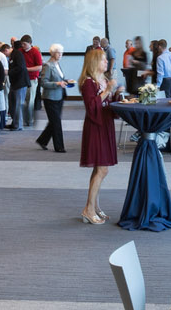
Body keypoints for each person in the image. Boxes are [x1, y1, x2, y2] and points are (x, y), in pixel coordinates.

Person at [76, 46, 120, 223]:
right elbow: (92, 106)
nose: (106, 62)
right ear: (95, 62)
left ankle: (93, 206)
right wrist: (108, 91)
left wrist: (116, 94)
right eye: (103, 59)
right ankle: (89, 208)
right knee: (102, 169)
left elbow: (106, 103)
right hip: (96, 127)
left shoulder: (102, 79)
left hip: (105, 124)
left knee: (101, 169)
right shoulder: (88, 82)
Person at [36, 43, 70, 153]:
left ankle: (42, 140)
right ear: (53, 53)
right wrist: (57, 83)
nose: (61, 55)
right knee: (56, 122)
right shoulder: (48, 65)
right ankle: (59, 146)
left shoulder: (57, 64)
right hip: (50, 98)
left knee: (53, 121)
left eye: (61, 53)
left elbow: (60, 78)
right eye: (58, 53)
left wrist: (65, 81)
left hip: (59, 96)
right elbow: (43, 83)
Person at [6, 35, 31, 131]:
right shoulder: (15, 54)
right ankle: (14, 122)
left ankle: (18, 125)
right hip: (15, 83)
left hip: (20, 83)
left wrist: (9, 72)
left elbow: (20, 68)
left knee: (17, 104)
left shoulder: (18, 54)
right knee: (12, 103)